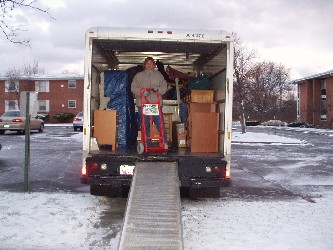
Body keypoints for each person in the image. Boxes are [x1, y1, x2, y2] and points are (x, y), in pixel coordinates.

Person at [131, 57, 168, 149]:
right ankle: (146, 143)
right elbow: (133, 88)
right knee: (144, 124)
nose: (149, 65)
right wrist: (142, 91)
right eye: (147, 63)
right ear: (145, 64)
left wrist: (158, 90)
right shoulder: (138, 75)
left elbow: (164, 86)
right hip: (143, 104)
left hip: (156, 103)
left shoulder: (159, 75)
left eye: (151, 63)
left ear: (154, 65)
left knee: (160, 124)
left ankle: (164, 142)